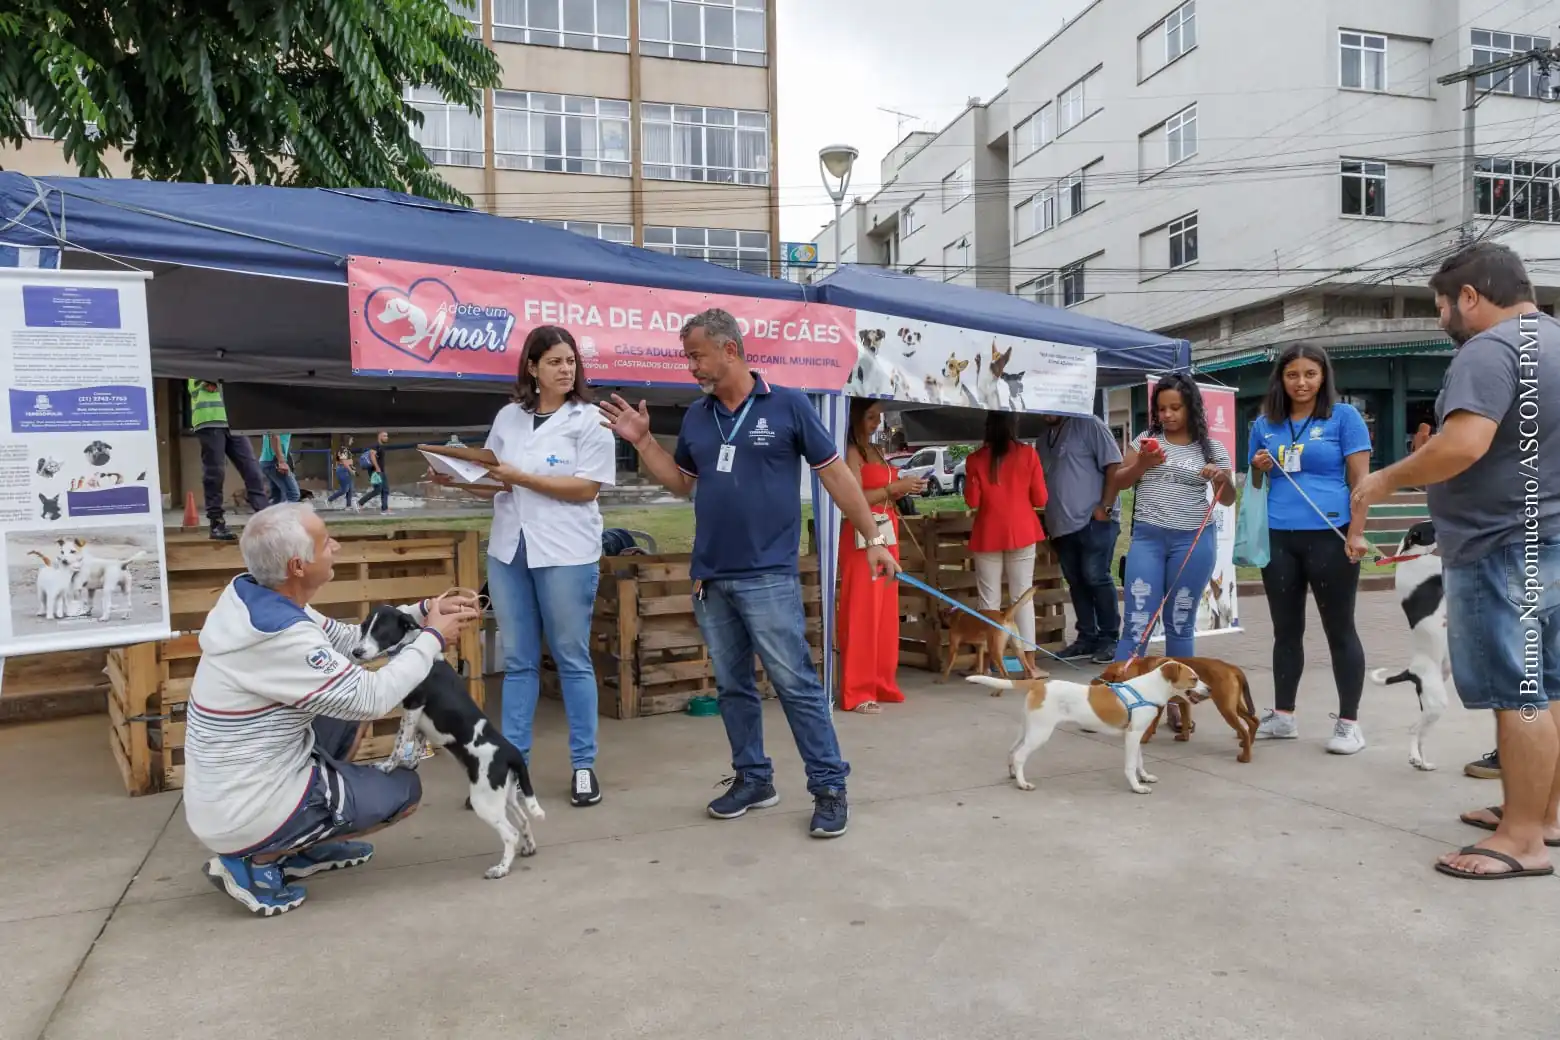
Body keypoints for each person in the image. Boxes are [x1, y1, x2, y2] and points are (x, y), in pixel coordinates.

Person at [598, 308, 897, 839]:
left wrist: (872, 537)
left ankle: (829, 787)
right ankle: (754, 778)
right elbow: (681, 484)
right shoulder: (696, 417)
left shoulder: (788, 405)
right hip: (711, 577)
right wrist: (643, 443)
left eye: (696, 355)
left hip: (768, 575)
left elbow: (837, 476)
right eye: (688, 356)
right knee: (734, 687)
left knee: (796, 685)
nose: (691, 366)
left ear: (730, 350)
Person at [1353, 242, 1559, 880]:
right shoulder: (1553, 341)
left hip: (1501, 546)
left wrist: (1385, 479)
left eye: (1443, 305)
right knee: (1550, 685)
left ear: (1469, 296)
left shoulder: (1489, 350)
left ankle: (1522, 839)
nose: (1444, 317)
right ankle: (1545, 815)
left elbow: (1463, 444)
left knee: (1521, 693)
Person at [182, 503, 479, 916]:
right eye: (325, 543)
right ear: (297, 565)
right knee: (403, 792)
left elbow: (351, 641)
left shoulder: (260, 598)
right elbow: (374, 696)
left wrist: (422, 612)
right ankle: (258, 861)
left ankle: (296, 845)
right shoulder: (281, 635)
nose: (336, 547)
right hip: (243, 811)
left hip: (232, 790)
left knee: (341, 709)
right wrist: (431, 639)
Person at [455, 325, 617, 807]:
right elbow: (497, 481)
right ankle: (511, 765)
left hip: (567, 552)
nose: (565, 369)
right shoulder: (509, 417)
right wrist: (457, 480)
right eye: (554, 362)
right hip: (510, 549)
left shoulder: (590, 420)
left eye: (570, 361)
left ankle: (583, 765)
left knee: (571, 657)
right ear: (532, 368)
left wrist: (520, 476)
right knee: (520, 661)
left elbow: (587, 487)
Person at [1248, 344, 1374, 754]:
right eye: (1292, 375)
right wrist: (1257, 468)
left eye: (1310, 374)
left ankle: (1349, 723)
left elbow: (1361, 482)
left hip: (1329, 534)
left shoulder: (1345, 418)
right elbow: (1253, 486)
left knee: (1340, 630)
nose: (1301, 383)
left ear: (1323, 377)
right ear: (1280, 380)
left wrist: (1356, 533)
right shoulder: (1264, 424)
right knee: (1286, 632)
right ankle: (1283, 716)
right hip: (1278, 536)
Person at [1110, 372, 1236, 662]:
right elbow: (1118, 482)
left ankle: (1178, 700)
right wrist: (1142, 462)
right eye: (1161, 408)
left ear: (1191, 407)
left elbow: (1228, 498)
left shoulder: (1213, 449)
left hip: (1193, 541)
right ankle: (1119, 695)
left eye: (1175, 408)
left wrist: (1219, 478)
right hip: (1148, 539)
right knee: (1138, 621)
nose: (1167, 415)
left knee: (1180, 621)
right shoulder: (1145, 440)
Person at [838, 397, 925, 714]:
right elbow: (854, 496)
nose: (877, 423)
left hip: (888, 532)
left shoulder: (875, 450)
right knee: (862, 611)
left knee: (885, 612)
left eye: (880, 417)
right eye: (871, 416)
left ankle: (880, 681)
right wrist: (894, 487)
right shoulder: (849, 452)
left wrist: (904, 488)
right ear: (857, 417)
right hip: (863, 534)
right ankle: (857, 690)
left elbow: (886, 488)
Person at [963, 412, 1048, 676]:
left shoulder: (975, 459)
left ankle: (989, 664)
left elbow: (972, 501)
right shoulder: (1028, 455)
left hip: (987, 532)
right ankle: (1030, 665)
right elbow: (1041, 498)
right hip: (1022, 530)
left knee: (989, 600)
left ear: (987, 428)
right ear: (1014, 426)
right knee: (1021, 597)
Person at [1036, 410, 1124, 665]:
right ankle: (1086, 637)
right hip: (1061, 526)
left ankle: (1110, 639)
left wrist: (1105, 507)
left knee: (1096, 577)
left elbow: (1113, 465)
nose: (1045, 412)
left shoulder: (1089, 424)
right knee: (1076, 582)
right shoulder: (1043, 439)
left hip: (1094, 520)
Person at [187, 378, 267, 541]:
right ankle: (216, 523)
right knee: (215, 473)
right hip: (208, 422)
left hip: (234, 422)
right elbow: (208, 384)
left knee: (252, 470)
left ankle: (266, 521)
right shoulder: (197, 366)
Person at [259, 431, 301, 505]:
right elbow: (274, 435)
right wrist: (281, 461)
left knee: (277, 497)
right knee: (292, 494)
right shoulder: (280, 420)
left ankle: (270, 515)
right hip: (273, 461)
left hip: (267, 460)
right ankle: (284, 516)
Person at [357, 432, 391, 514]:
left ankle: (384, 509)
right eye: (384, 436)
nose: (386, 437)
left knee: (385, 490)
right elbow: (372, 456)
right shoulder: (375, 446)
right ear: (379, 437)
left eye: (387, 436)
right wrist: (377, 468)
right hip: (375, 471)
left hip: (381, 471)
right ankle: (360, 503)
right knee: (378, 490)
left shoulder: (381, 447)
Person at [326, 446, 357, 511]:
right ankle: (329, 499)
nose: (352, 441)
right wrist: (351, 471)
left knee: (350, 489)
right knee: (344, 490)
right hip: (343, 470)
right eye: (351, 439)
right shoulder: (342, 451)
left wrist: (352, 468)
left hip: (347, 470)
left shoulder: (347, 452)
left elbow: (349, 462)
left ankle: (348, 506)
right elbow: (344, 463)